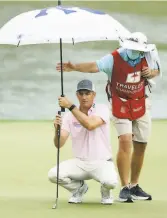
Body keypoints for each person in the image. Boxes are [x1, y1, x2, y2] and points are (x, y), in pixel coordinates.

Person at [56, 32, 161, 203]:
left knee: (141, 144)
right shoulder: (114, 58)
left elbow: (157, 71)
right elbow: (94, 66)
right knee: (125, 140)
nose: (137, 52)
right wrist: (74, 67)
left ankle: (134, 186)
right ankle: (125, 188)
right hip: (119, 102)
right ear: (127, 46)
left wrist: (151, 72)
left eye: (140, 49)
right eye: (135, 49)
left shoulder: (148, 54)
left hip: (140, 102)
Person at [48, 79, 118, 205]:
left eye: (88, 93)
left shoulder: (102, 109)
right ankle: (79, 188)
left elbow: (90, 124)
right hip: (80, 163)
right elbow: (59, 144)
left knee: (110, 182)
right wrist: (57, 130)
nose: (84, 97)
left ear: (94, 95)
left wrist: (70, 106)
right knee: (53, 175)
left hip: (102, 162)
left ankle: (105, 191)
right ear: (77, 95)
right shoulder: (69, 117)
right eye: (81, 94)